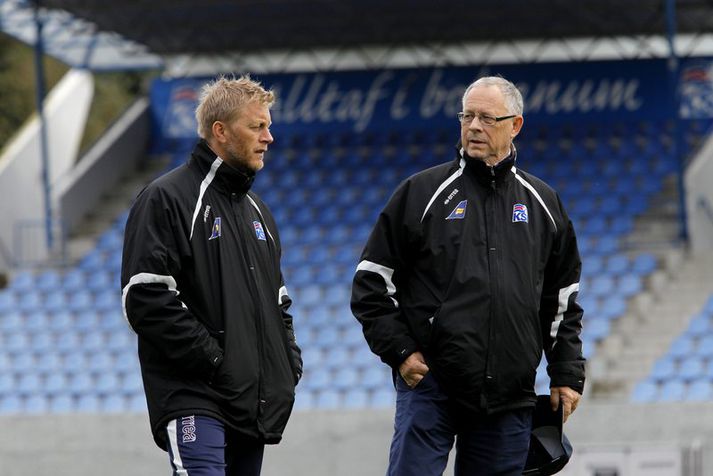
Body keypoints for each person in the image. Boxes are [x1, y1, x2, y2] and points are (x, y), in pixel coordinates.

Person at [351, 76, 585, 475]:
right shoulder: (420, 193)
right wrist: (402, 353)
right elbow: (371, 284)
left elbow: (561, 299)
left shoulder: (544, 203)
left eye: (487, 118)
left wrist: (566, 372)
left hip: (510, 396)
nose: (474, 127)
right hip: (432, 387)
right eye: (467, 116)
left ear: (515, 125)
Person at [121, 75, 302, 476]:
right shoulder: (166, 198)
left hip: (251, 402)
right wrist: (217, 359)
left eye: (268, 125)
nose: (269, 137)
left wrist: (287, 365)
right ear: (220, 131)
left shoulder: (260, 213)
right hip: (194, 396)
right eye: (257, 126)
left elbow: (279, 303)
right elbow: (145, 298)